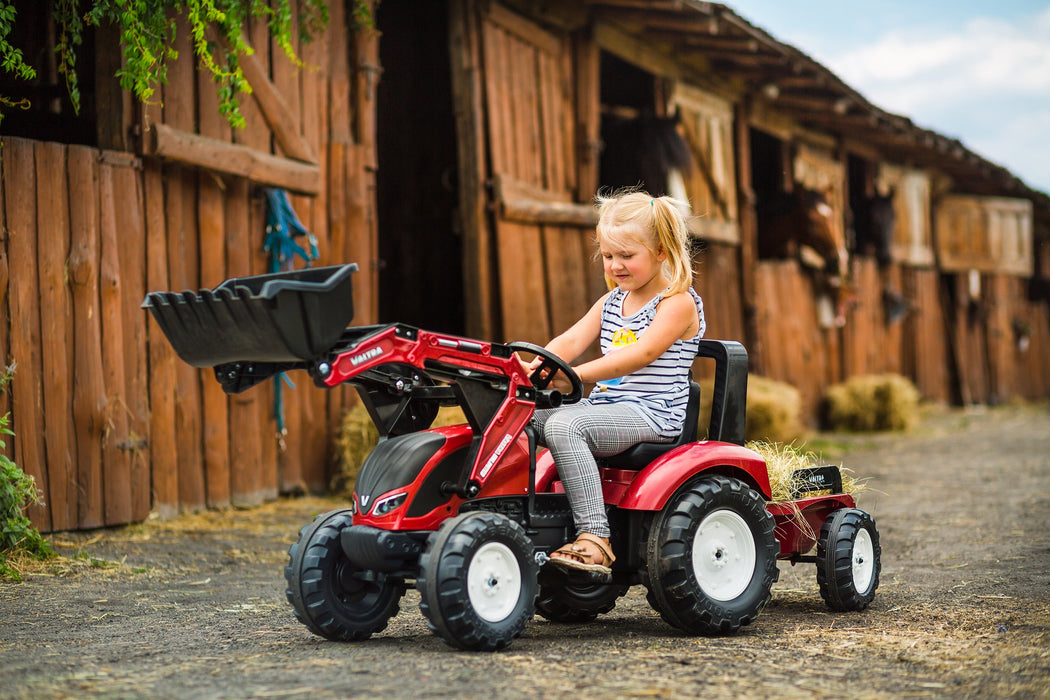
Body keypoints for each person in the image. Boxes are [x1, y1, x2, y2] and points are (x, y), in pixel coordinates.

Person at [528, 190, 705, 575]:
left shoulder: (676, 303)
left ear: (661, 251)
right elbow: (571, 341)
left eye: (627, 256)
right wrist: (536, 367)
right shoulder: (612, 301)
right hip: (608, 410)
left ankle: (596, 538)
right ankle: (525, 519)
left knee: (564, 423)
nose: (616, 266)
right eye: (609, 256)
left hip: (653, 415)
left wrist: (575, 376)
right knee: (521, 418)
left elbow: (640, 354)